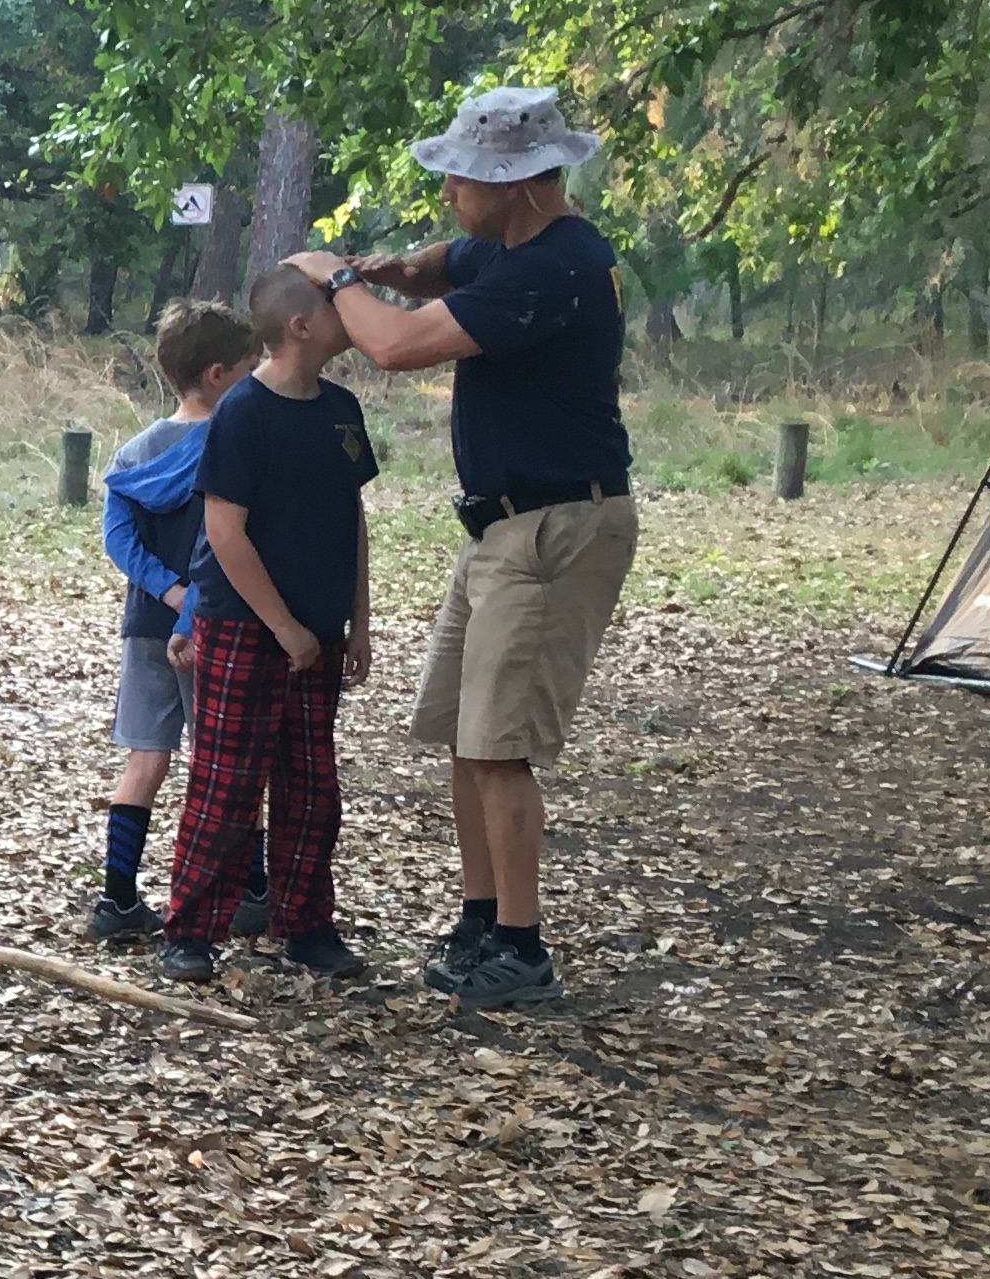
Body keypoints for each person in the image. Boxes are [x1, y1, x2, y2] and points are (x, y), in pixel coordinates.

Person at [288, 85, 633, 1008]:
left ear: (518, 183)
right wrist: (389, 265)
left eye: (463, 178)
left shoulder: (549, 272)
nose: (448, 191)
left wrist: (338, 282)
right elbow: (443, 260)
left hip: (556, 528)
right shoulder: (509, 247)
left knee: (501, 742)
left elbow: (396, 349)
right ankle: (481, 918)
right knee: (465, 736)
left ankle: (521, 946)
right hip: (502, 527)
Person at [155, 266, 380, 987]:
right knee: (227, 783)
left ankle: (307, 923)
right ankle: (191, 931)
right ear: (299, 326)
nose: (350, 312)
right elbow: (225, 534)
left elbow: (353, 519)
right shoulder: (243, 412)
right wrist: (282, 627)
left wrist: (360, 621)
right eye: (332, 303)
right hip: (245, 628)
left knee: (312, 787)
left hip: (320, 629)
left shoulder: (342, 409)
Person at [87, 300, 274, 943]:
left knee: (146, 759)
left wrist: (166, 595)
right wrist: (191, 606)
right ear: (221, 374)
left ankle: (116, 899)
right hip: (220, 627)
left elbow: (118, 541)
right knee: (229, 760)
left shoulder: (134, 451)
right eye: (251, 366)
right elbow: (228, 541)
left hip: (145, 625)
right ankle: (252, 890)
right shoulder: (236, 443)